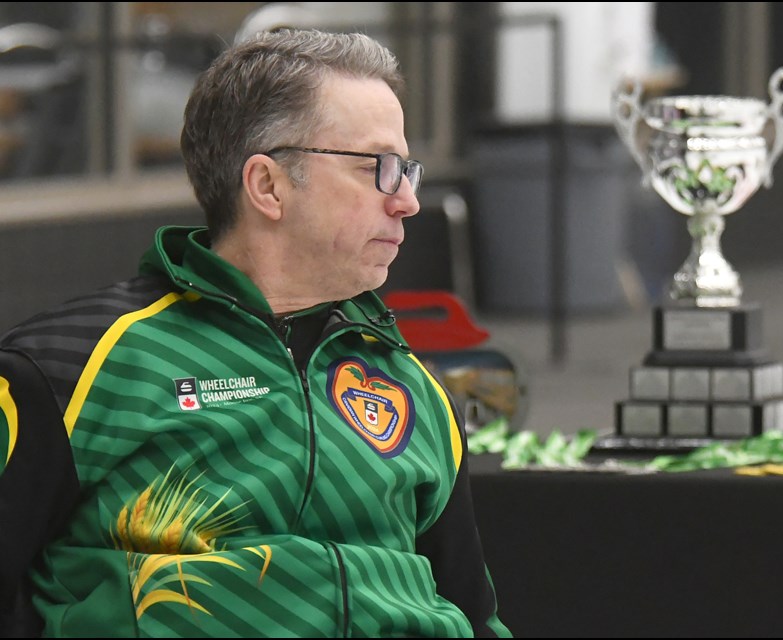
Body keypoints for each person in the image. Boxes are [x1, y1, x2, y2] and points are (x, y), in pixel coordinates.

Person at [0, 29, 511, 638]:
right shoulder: (69, 366)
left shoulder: (410, 386)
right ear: (267, 185)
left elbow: (474, 617)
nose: (407, 201)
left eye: (408, 170)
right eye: (379, 168)